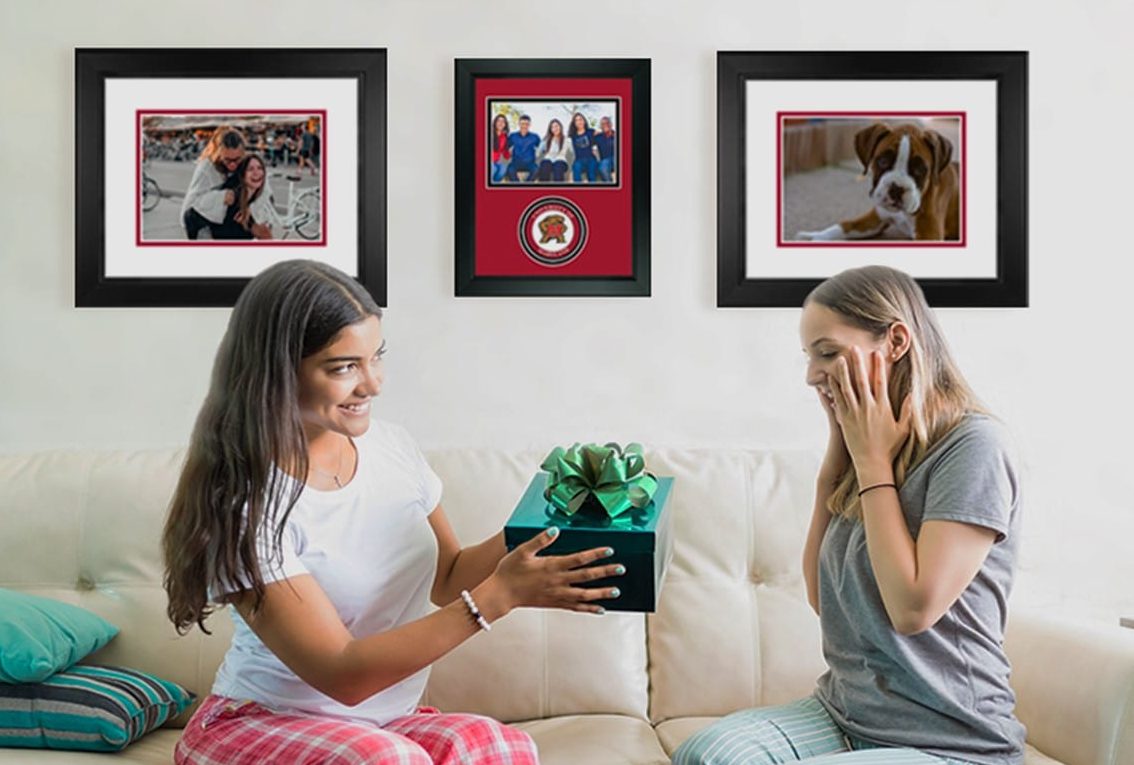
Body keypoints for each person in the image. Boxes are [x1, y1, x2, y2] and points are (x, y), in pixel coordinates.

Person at [162, 260, 625, 764]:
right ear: (276, 371)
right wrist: (500, 597)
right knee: (387, 760)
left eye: (375, 358)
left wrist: (551, 516)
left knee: (500, 746)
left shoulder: (390, 448)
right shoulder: (245, 505)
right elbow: (344, 673)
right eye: (344, 367)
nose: (373, 384)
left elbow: (448, 576)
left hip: (380, 725)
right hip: (259, 723)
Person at [673, 265, 1025, 765]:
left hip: (952, 741)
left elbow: (912, 611)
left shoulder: (973, 448)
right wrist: (837, 461)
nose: (812, 375)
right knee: (704, 756)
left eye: (828, 352)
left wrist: (871, 463)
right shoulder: (867, 451)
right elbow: (822, 598)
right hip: (843, 716)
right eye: (809, 357)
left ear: (897, 341)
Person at [180, 126, 245, 240]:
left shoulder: (247, 163)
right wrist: (221, 197)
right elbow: (189, 209)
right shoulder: (207, 167)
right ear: (218, 153)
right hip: (206, 230)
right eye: (227, 160)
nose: (233, 165)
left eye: (237, 159)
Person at [208, 155, 280, 240]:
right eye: (250, 169)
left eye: (259, 168)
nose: (256, 173)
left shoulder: (263, 198)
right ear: (242, 175)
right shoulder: (232, 197)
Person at [505, 114, 541, 182]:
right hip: (516, 163)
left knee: (537, 170)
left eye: (527, 124)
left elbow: (542, 147)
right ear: (519, 124)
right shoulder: (513, 136)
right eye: (522, 123)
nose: (524, 126)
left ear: (530, 125)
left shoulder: (535, 137)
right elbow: (505, 147)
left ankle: (527, 185)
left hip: (530, 163)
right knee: (509, 170)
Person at [568, 112, 599, 183]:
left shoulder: (591, 132)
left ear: (584, 121)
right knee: (576, 169)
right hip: (579, 160)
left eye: (581, 119)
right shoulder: (573, 136)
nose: (579, 122)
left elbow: (600, 138)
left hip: (591, 158)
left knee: (591, 174)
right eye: (576, 120)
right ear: (574, 123)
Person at [490, 113, 511, 183]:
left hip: (496, 161)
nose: (501, 123)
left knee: (503, 169)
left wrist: (510, 154)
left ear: (505, 124)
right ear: (495, 122)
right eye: (498, 121)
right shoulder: (489, 133)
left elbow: (505, 152)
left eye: (503, 121)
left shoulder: (504, 137)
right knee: (493, 169)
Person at [595, 116, 616, 182]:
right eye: (603, 124)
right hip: (605, 160)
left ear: (611, 124)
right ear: (600, 126)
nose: (605, 125)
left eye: (607, 123)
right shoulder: (598, 137)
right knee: (603, 167)